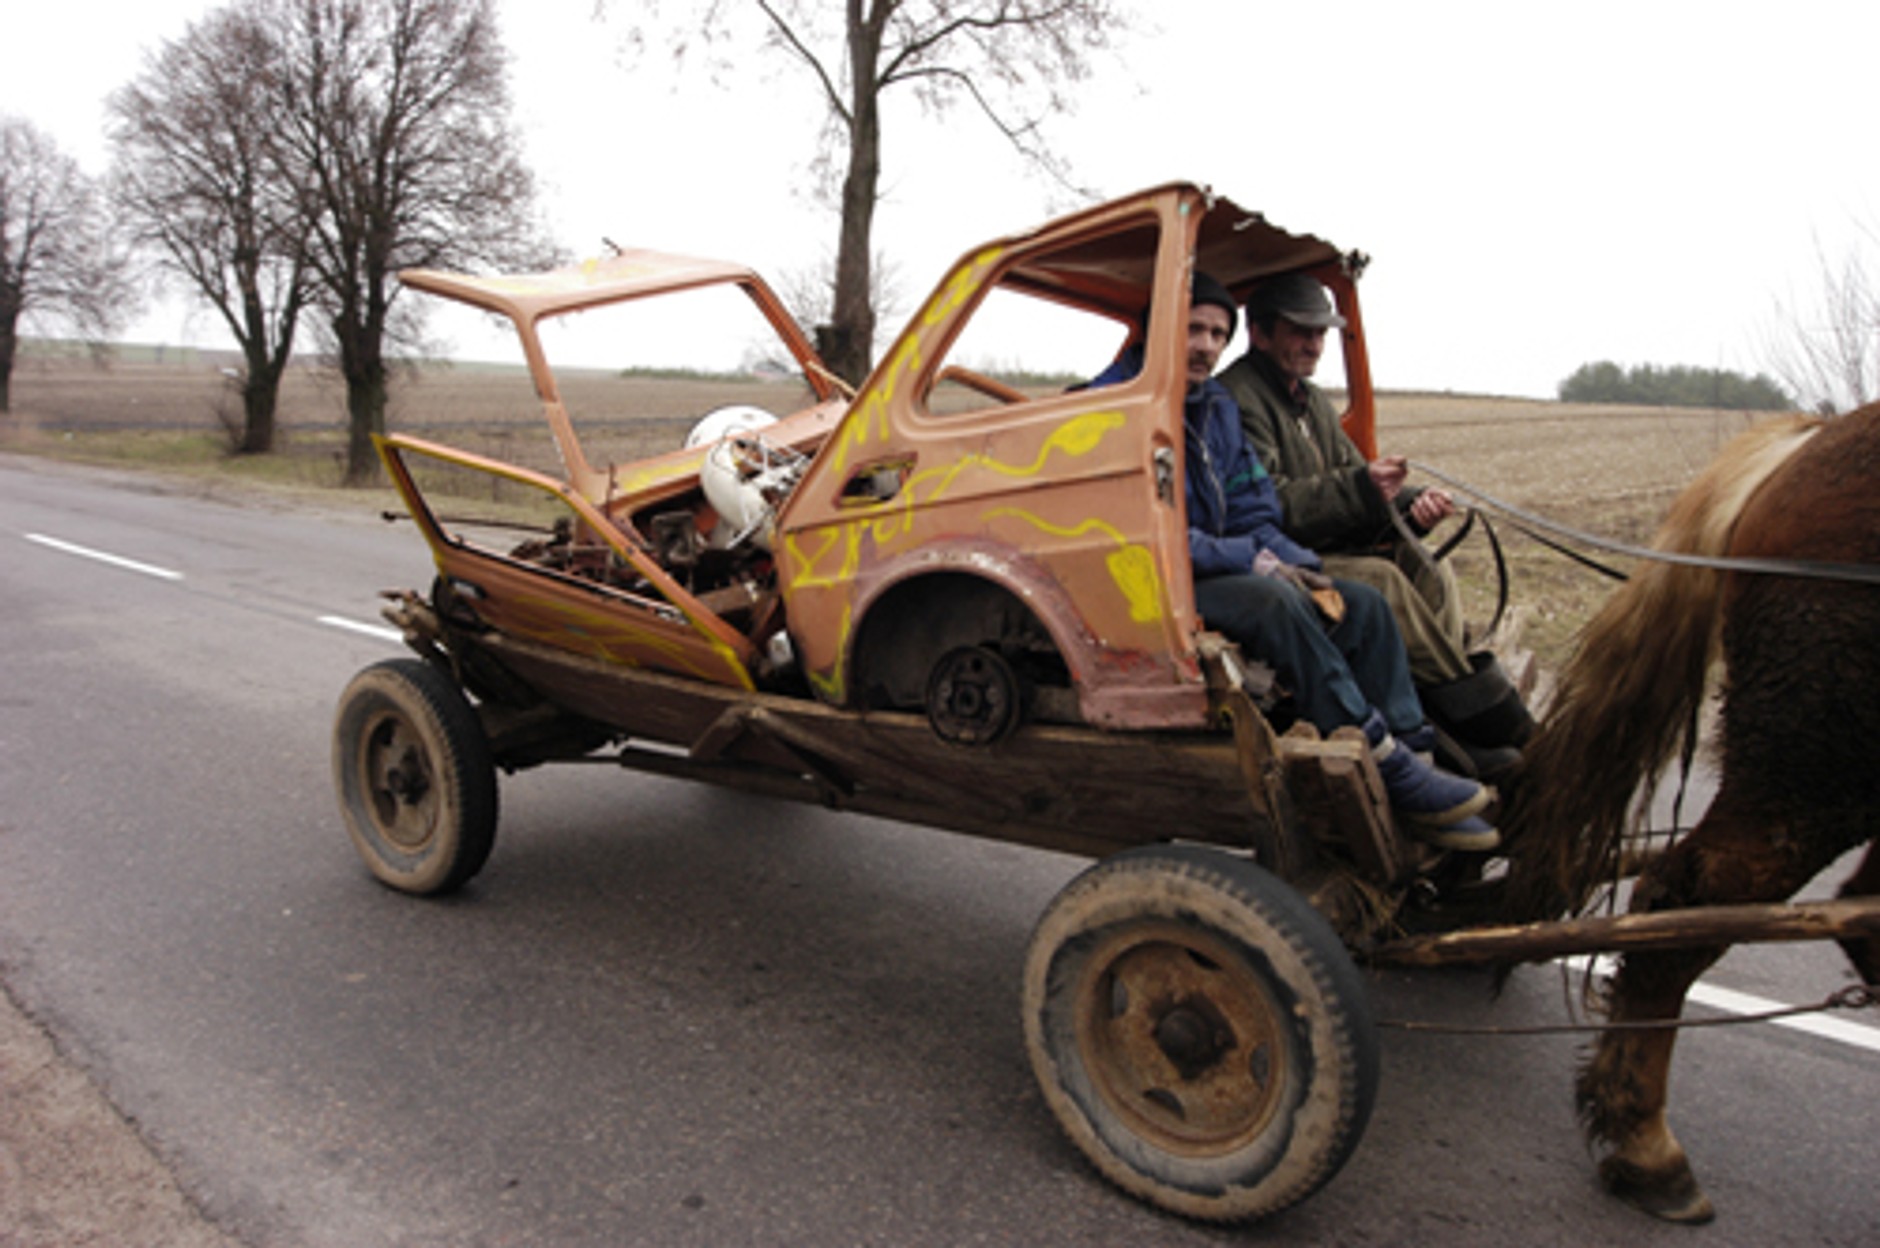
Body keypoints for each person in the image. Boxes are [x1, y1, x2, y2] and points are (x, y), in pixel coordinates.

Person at [1162, 272, 1498, 850]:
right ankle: (1395, 754)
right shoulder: (1138, 407)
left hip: (1238, 557)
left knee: (1363, 601)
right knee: (1283, 599)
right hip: (1172, 578)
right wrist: (1260, 557)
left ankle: (1419, 761)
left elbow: (1255, 504)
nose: (1206, 345)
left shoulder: (1214, 406)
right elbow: (1154, 533)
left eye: (1216, 332)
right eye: (1193, 329)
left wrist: (1299, 557)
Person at [1216, 273, 1533, 775]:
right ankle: (1480, 722)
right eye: (1301, 330)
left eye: (1320, 333)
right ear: (1259, 333)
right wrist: (1363, 488)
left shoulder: (1312, 400)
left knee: (1426, 568)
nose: (1314, 344)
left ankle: (1442, 710)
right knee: (1383, 582)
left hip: (1324, 544)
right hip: (1280, 556)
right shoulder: (1235, 398)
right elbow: (1271, 506)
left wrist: (1409, 506)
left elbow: (1354, 480)